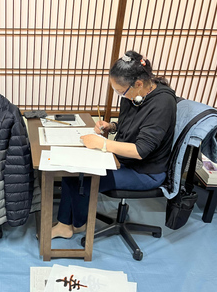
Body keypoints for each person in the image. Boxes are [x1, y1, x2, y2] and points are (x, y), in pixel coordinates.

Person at [52, 50, 177, 239]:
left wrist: (102, 144)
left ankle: (73, 225)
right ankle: (71, 223)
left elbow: (140, 150)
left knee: (81, 181)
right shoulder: (135, 96)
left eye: (121, 91)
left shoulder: (163, 103)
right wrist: (110, 126)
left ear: (139, 83)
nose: (119, 94)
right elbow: (134, 127)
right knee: (73, 172)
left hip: (145, 170)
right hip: (124, 160)